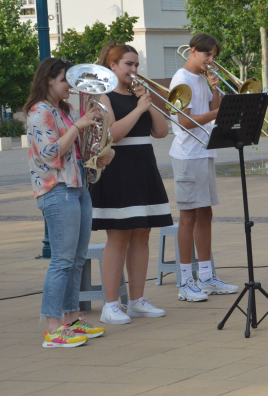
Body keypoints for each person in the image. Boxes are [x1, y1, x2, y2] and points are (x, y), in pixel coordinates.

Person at [24, 57, 114, 347]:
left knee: (76, 259)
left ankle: (72, 319)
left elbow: (76, 150)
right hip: (56, 189)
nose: (71, 87)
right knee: (62, 261)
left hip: (77, 186)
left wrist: (98, 152)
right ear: (49, 80)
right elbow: (51, 153)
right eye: (65, 81)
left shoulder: (62, 110)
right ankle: (53, 328)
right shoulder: (39, 112)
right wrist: (78, 124)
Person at [89, 43, 173, 325]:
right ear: (112, 66)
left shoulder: (139, 96)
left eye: (136, 65)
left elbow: (161, 132)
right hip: (118, 166)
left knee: (142, 232)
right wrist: (139, 109)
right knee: (119, 235)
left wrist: (148, 104)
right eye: (128, 64)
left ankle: (137, 300)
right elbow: (113, 134)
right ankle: (111, 304)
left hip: (143, 164)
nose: (134, 70)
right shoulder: (104, 95)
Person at [169, 33, 238, 302]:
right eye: (207, 55)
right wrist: (214, 114)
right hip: (187, 154)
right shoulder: (181, 79)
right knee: (188, 216)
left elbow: (212, 108)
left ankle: (207, 276)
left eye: (214, 57)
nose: (211, 61)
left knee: (205, 213)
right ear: (193, 51)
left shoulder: (200, 78)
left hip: (204, 151)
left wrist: (215, 88)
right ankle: (186, 281)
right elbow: (183, 122)